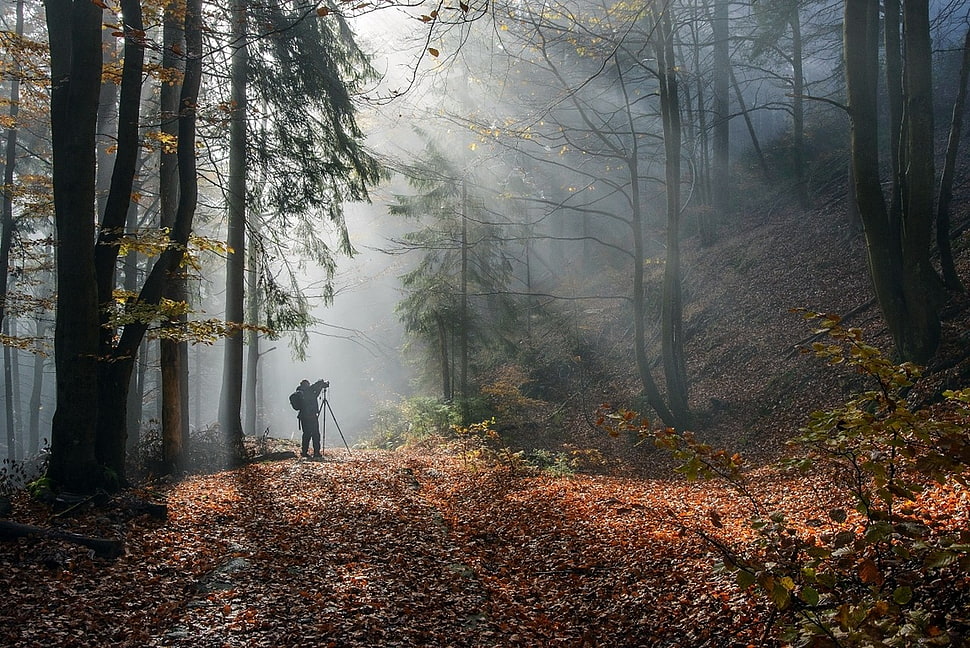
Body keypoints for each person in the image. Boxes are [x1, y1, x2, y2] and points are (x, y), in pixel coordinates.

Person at [296, 378, 329, 458]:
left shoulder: (301, 392)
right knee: (315, 434)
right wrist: (321, 383)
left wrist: (320, 386)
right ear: (307, 385)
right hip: (311, 416)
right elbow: (315, 391)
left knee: (306, 434)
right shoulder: (308, 391)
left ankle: (304, 452)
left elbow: (315, 394)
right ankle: (316, 452)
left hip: (303, 417)